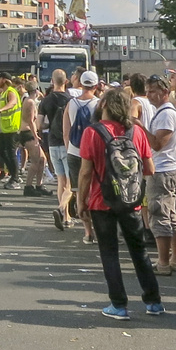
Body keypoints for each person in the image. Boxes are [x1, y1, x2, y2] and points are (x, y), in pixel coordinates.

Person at [76, 86, 163, 320]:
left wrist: (80, 201)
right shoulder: (135, 132)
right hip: (131, 200)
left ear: (103, 105)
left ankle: (118, 304)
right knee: (139, 251)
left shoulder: (92, 133)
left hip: (100, 200)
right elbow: (149, 169)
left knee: (109, 252)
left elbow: (85, 172)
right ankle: (153, 301)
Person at [145, 74, 176, 274]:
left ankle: (164, 262)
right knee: (169, 214)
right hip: (164, 168)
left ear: (164, 93)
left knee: (159, 214)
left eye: (153, 91)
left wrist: (139, 127)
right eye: (148, 91)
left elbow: (158, 144)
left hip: (162, 169)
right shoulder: (163, 112)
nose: (149, 95)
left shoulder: (166, 114)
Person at [65, 70, 100, 242]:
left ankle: (87, 231)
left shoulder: (71, 103)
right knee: (94, 190)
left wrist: (69, 149)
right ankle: (98, 227)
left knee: (79, 192)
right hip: (93, 153)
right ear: (96, 85)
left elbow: (66, 131)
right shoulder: (99, 104)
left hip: (73, 151)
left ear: (81, 83)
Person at [41, 70, 73, 228]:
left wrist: (49, 125)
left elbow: (39, 124)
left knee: (61, 181)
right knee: (71, 183)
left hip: (53, 142)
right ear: (66, 81)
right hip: (69, 144)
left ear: (52, 81)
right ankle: (63, 211)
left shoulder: (45, 100)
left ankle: (65, 215)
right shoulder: (71, 100)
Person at [0, 76, 23, 189]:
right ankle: (12, 174)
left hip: (12, 128)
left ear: (4, 79)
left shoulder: (11, 91)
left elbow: (12, 103)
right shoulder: (4, 93)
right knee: (2, 152)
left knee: (11, 154)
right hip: (4, 128)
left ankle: (15, 178)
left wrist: (1, 109)